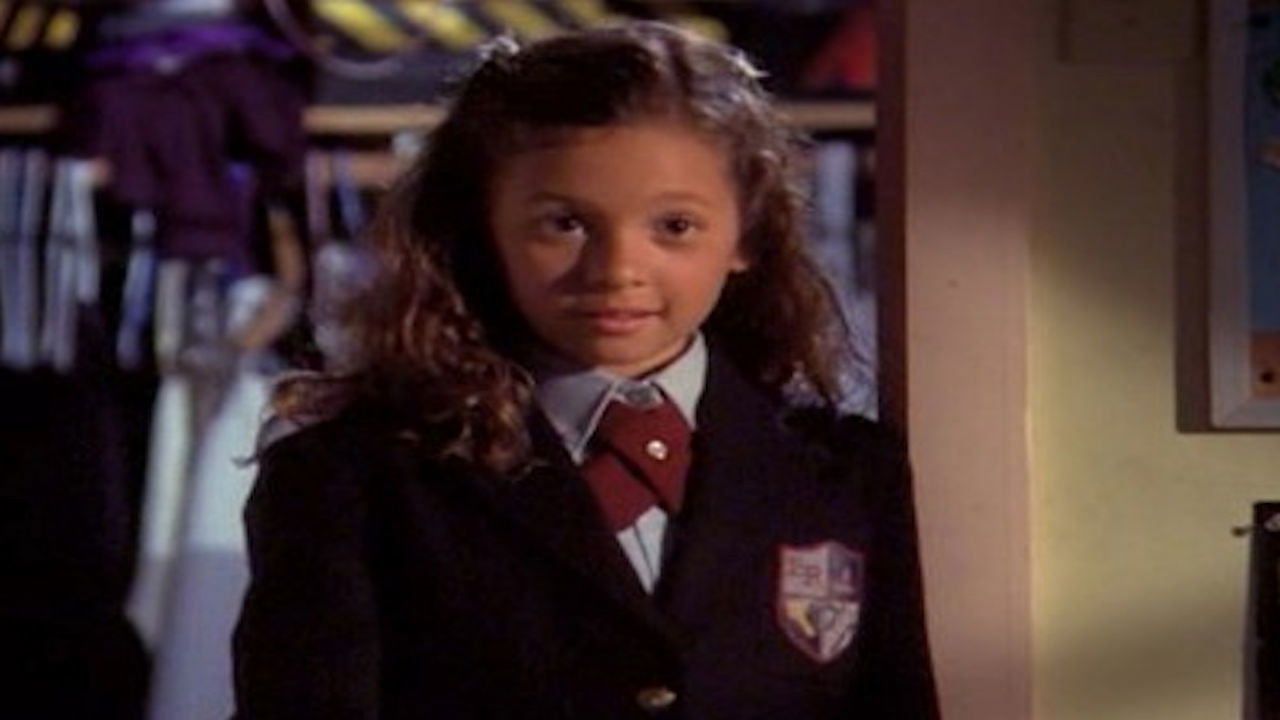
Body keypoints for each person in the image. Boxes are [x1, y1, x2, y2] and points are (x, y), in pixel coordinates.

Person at [231, 21, 939, 720]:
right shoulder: (352, 478)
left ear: (746, 232)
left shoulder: (844, 478)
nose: (617, 270)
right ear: (483, 227)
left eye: (674, 227)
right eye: (564, 224)